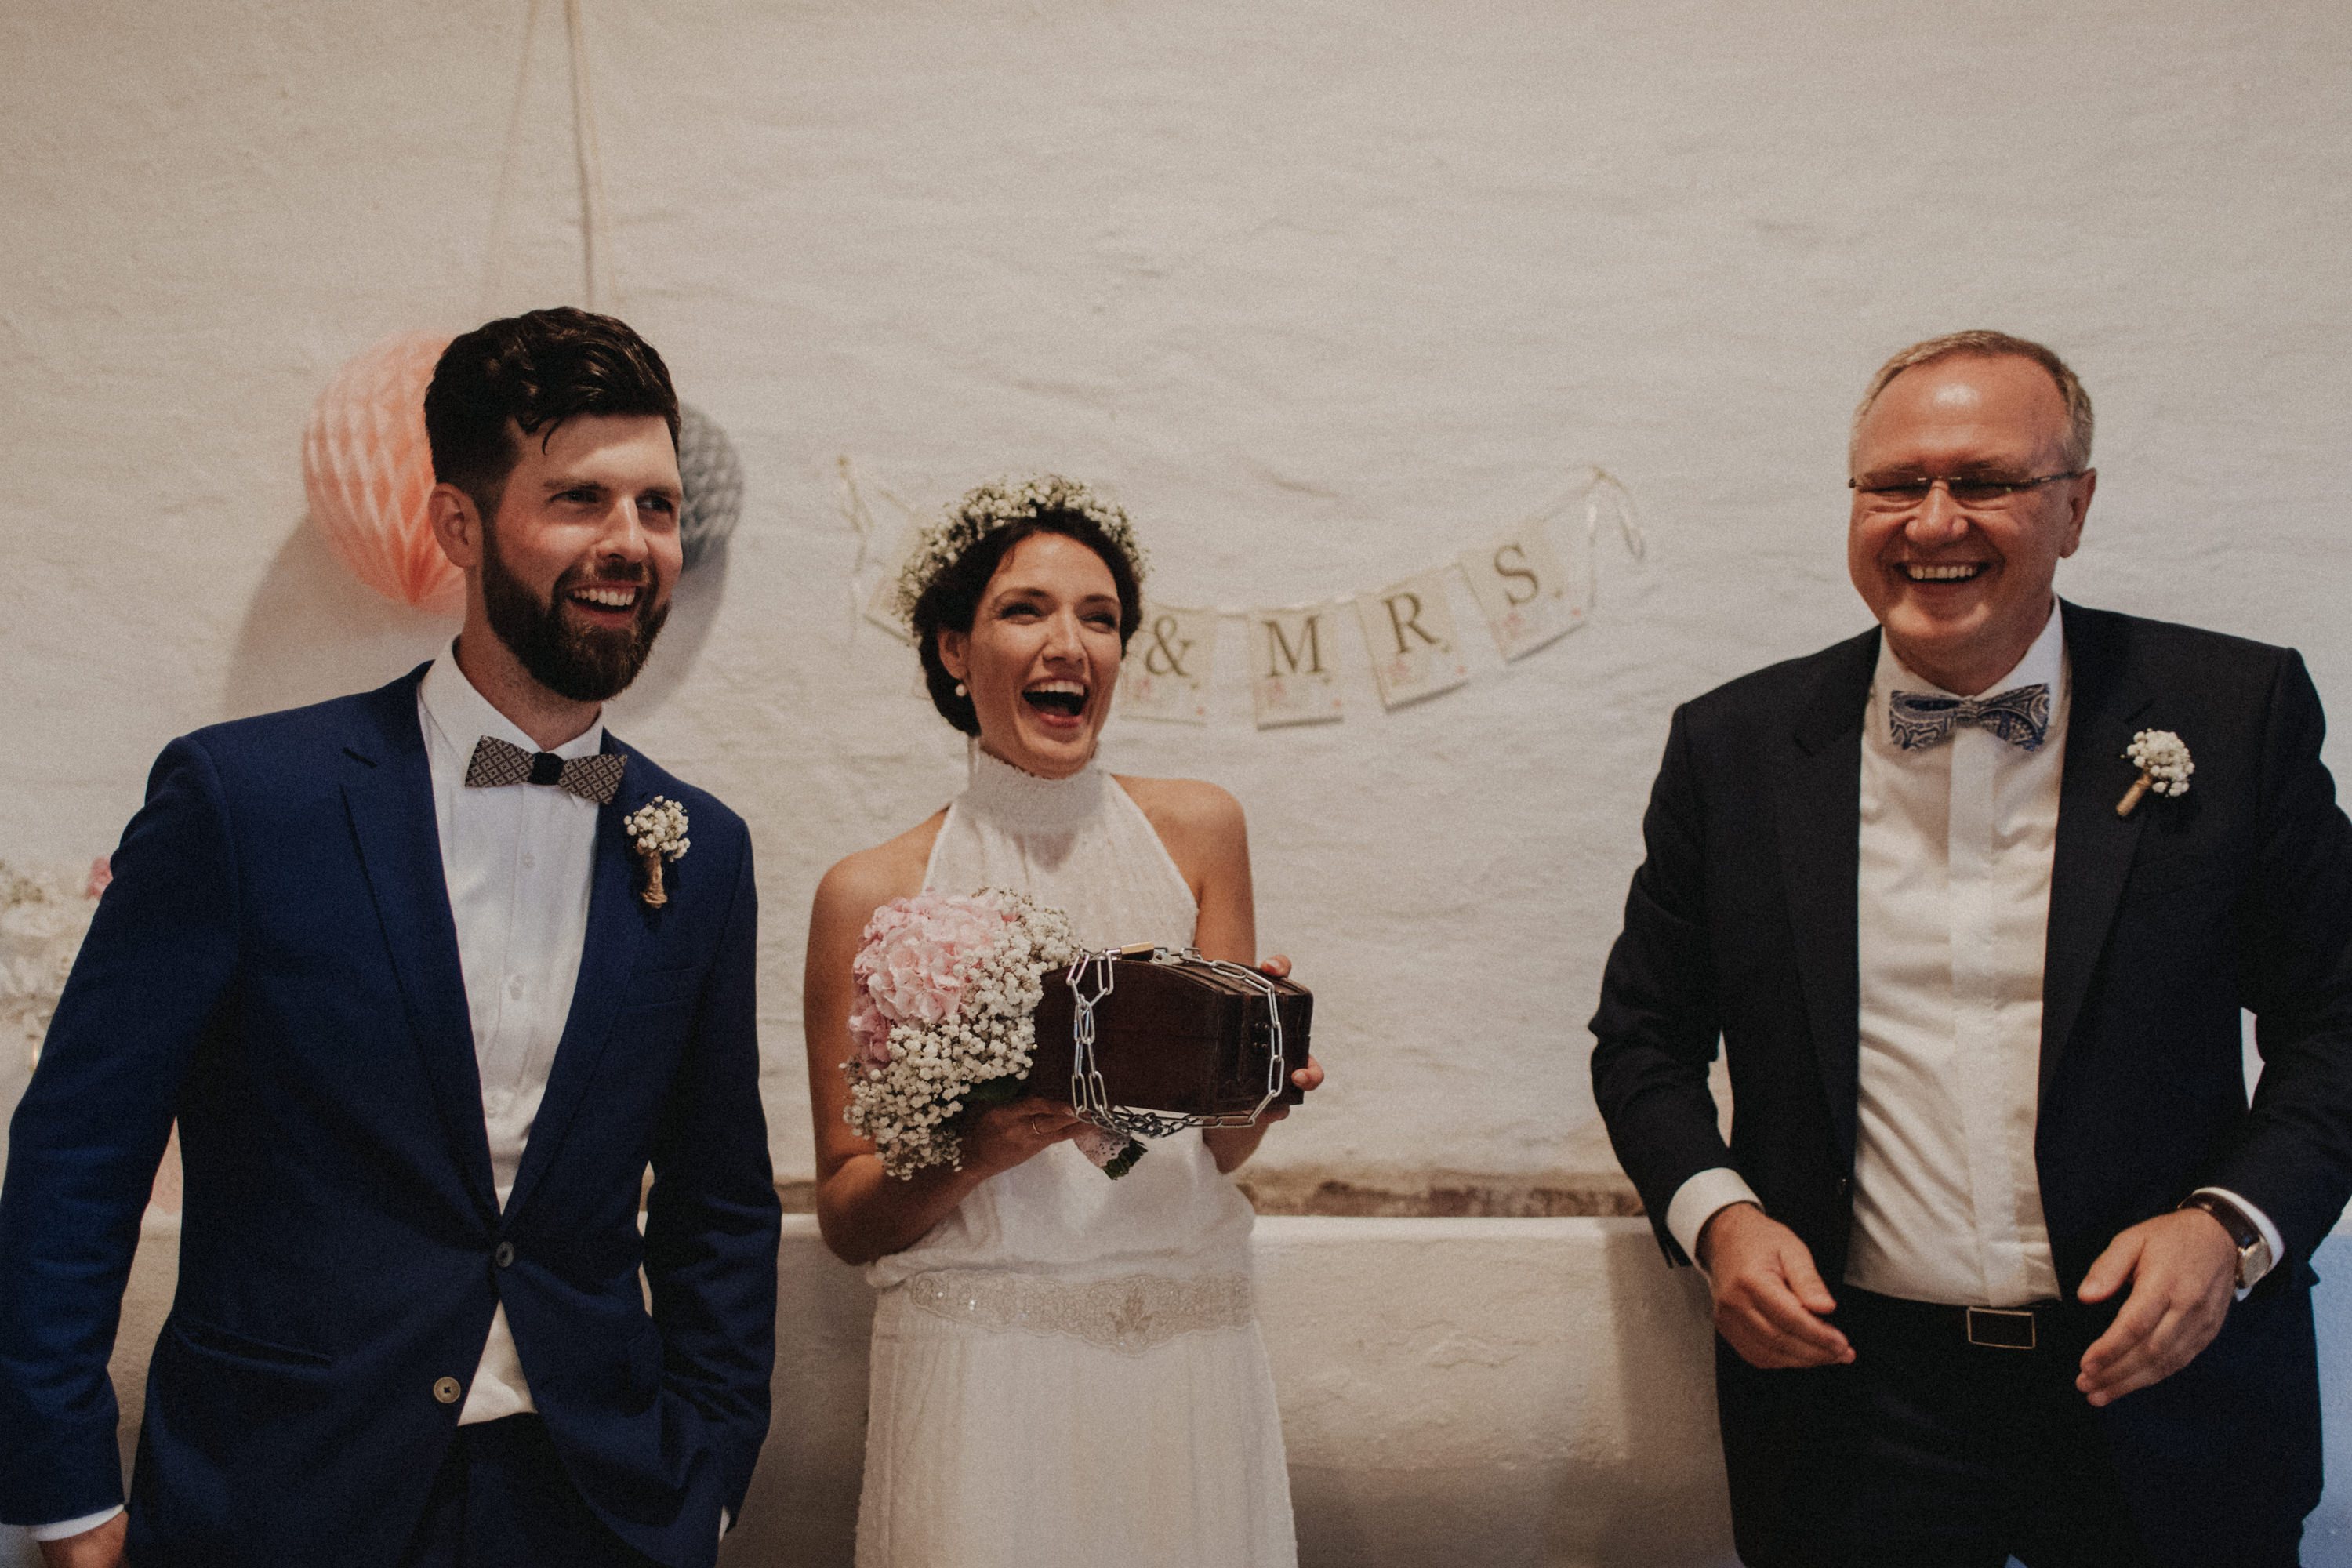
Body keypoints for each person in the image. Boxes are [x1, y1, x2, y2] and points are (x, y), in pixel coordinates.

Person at [0, 307, 782, 1568]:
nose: (628, 543)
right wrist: (64, 1489)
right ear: (459, 526)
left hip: (593, 1501)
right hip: (281, 1493)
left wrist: (710, 1471)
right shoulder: (244, 801)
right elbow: (79, 1156)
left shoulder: (695, 844)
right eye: (579, 499)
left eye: (655, 505)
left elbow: (719, 1204)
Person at [1590, 331, 2352, 1567]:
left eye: (1985, 481)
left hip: (2165, 1391)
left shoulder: (2232, 711)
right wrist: (1719, 1219)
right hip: (1853, 1408)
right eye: (1895, 484)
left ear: (2075, 508)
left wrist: (2231, 1226)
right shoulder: (1731, 748)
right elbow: (1642, 1041)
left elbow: (2338, 1021)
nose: (1932, 519)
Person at [803, 475, 1323, 1567]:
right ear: (954, 648)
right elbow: (850, 1218)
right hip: (983, 1373)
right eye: (1025, 610)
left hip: (1187, 1352)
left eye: (1100, 617)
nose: (1070, 643)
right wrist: (977, 1150)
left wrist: (1262, 1092)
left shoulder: (1199, 833)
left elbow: (1218, 1153)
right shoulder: (871, 891)